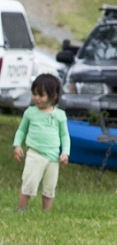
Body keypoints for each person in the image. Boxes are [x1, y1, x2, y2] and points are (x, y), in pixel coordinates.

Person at [13, 74, 69, 212]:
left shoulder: (60, 115)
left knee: (49, 187)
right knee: (29, 182)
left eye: (41, 95)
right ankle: (21, 210)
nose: (37, 98)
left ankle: (46, 212)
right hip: (35, 154)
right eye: (34, 94)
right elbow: (21, 130)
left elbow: (64, 135)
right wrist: (17, 145)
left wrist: (65, 152)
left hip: (53, 157)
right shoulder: (30, 113)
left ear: (53, 96)